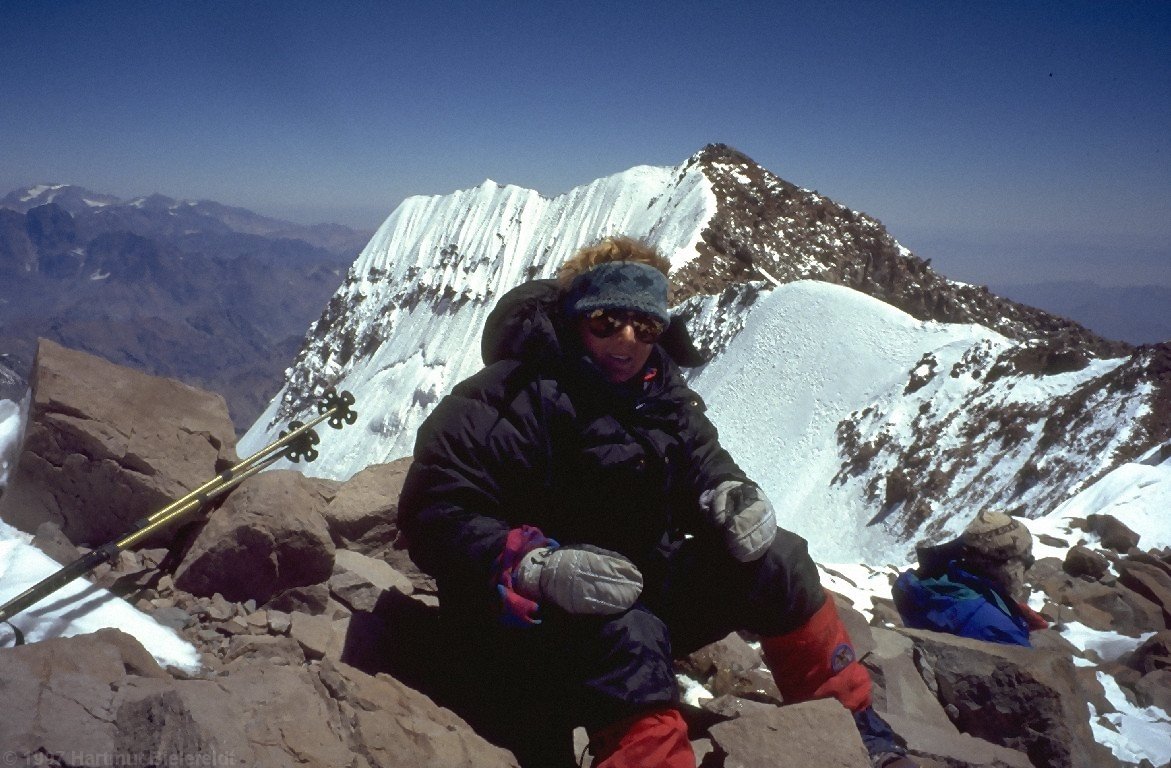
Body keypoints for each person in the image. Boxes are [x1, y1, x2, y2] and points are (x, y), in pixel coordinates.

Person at [399, 236, 916, 767]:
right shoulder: (509, 396)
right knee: (630, 633)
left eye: (644, 326)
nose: (626, 340)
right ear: (577, 317)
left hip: (634, 587)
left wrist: (730, 496)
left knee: (779, 561)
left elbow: (703, 463)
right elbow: (434, 511)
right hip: (528, 622)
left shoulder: (658, 393)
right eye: (607, 321)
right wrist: (536, 566)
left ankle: (853, 732)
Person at [893, 509, 1048, 647]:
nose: (1027, 570)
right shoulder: (1002, 633)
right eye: (1026, 562)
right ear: (1006, 565)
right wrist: (1013, 628)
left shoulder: (939, 583)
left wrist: (1013, 615)